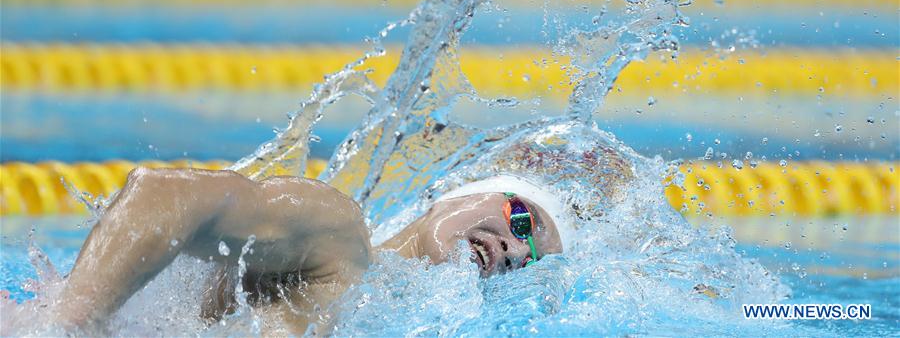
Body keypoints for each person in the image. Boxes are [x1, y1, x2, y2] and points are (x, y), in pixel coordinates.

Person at [45, 166, 567, 335]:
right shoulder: (340, 238)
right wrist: (67, 325)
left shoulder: (377, 312)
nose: (517, 249)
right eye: (523, 219)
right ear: (456, 193)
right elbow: (162, 195)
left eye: (532, 263)